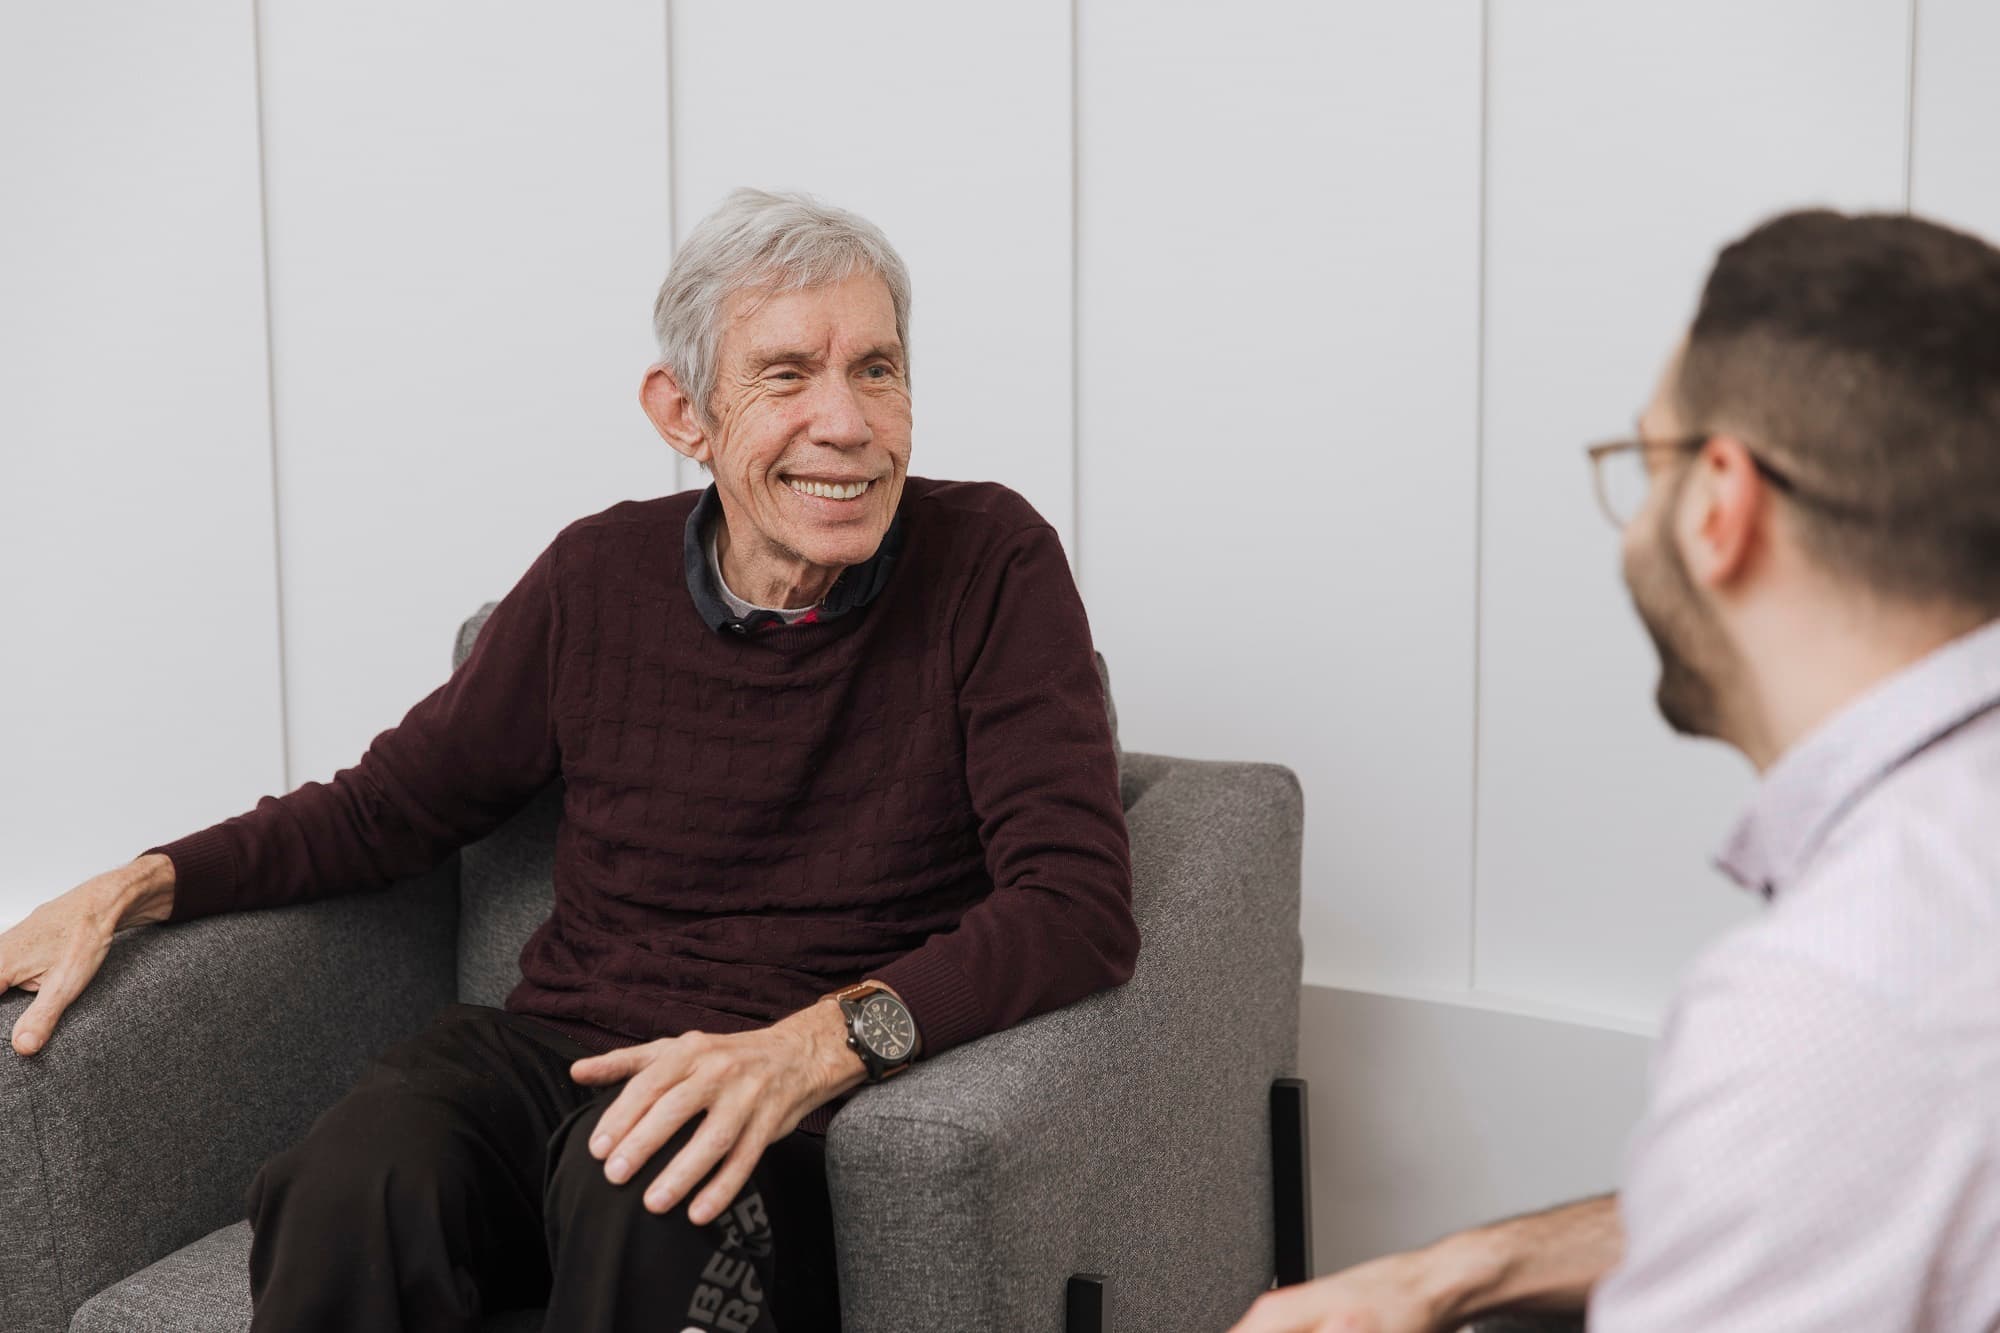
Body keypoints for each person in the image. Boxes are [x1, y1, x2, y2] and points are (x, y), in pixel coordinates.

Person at [0, 187, 1139, 1332]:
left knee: (644, 1180)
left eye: (876, 370)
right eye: (786, 376)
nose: (845, 423)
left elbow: (1074, 902)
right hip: (552, 1054)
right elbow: (384, 809)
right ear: (683, 411)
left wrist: (818, 1047)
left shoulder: (992, 563)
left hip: (777, 1102)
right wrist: (138, 881)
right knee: (348, 1182)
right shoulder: (596, 576)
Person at [1232, 208, 2000, 1331]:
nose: (1633, 524)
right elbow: (1839, 1174)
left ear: (1719, 504)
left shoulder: (1842, 993)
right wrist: (1458, 1269)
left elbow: (1847, 1095)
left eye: (1644, 466)